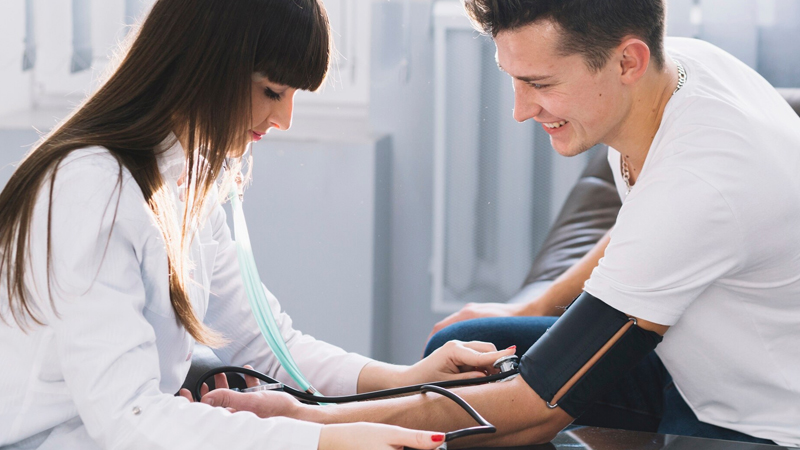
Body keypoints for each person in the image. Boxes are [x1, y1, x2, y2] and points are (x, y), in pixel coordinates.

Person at [201, 0, 800, 447]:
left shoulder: (705, 179)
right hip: (684, 355)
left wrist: (311, 421)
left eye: (540, 84)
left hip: (756, 415)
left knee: (493, 415)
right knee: (464, 351)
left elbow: (537, 404)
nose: (518, 110)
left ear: (626, 60)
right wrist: (528, 308)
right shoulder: (679, 72)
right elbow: (649, 225)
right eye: (514, 79)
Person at [0, 1, 517, 449]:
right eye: (273, 90)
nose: (284, 118)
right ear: (204, 64)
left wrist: (406, 380)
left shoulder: (184, 182)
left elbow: (267, 345)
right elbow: (128, 418)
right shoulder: (92, 189)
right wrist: (324, 438)